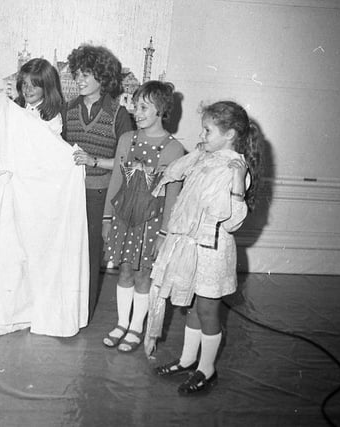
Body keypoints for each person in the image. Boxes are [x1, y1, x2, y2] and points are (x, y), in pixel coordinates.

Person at [145, 100, 262, 395]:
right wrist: (199, 152)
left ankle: (207, 369)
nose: (202, 136)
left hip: (212, 251)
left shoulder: (236, 167)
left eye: (208, 131)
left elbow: (234, 222)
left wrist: (237, 181)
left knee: (208, 310)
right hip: (190, 248)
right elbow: (175, 174)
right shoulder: (205, 159)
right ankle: (188, 360)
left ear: (230, 134)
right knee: (194, 309)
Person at [101, 81, 185, 353]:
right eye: (135, 106)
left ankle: (137, 326)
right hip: (124, 218)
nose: (136, 112)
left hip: (151, 223)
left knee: (143, 275)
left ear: (160, 110)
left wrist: (164, 233)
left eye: (143, 107)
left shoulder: (173, 149)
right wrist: (106, 217)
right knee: (124, 270)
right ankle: (121, 323)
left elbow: (173, 195)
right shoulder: (127, 139)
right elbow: (116, 180)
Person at [62, 44, 135, 321]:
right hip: (70, 194)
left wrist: (94, 161)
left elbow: (128, 163)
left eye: (86, 75)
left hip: (100, 194)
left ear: (102, 79)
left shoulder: (118, 114)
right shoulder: (68, 110)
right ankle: (65, 310)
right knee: (67, 252)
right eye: (77, 74)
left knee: (91, 256)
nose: (78, 80)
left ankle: (83, 313)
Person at [14, 58, 64, 135]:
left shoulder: (51, 118)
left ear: (46, 88)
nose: (28, 89)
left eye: (34, 86)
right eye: (24, 83)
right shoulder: (16, 107)